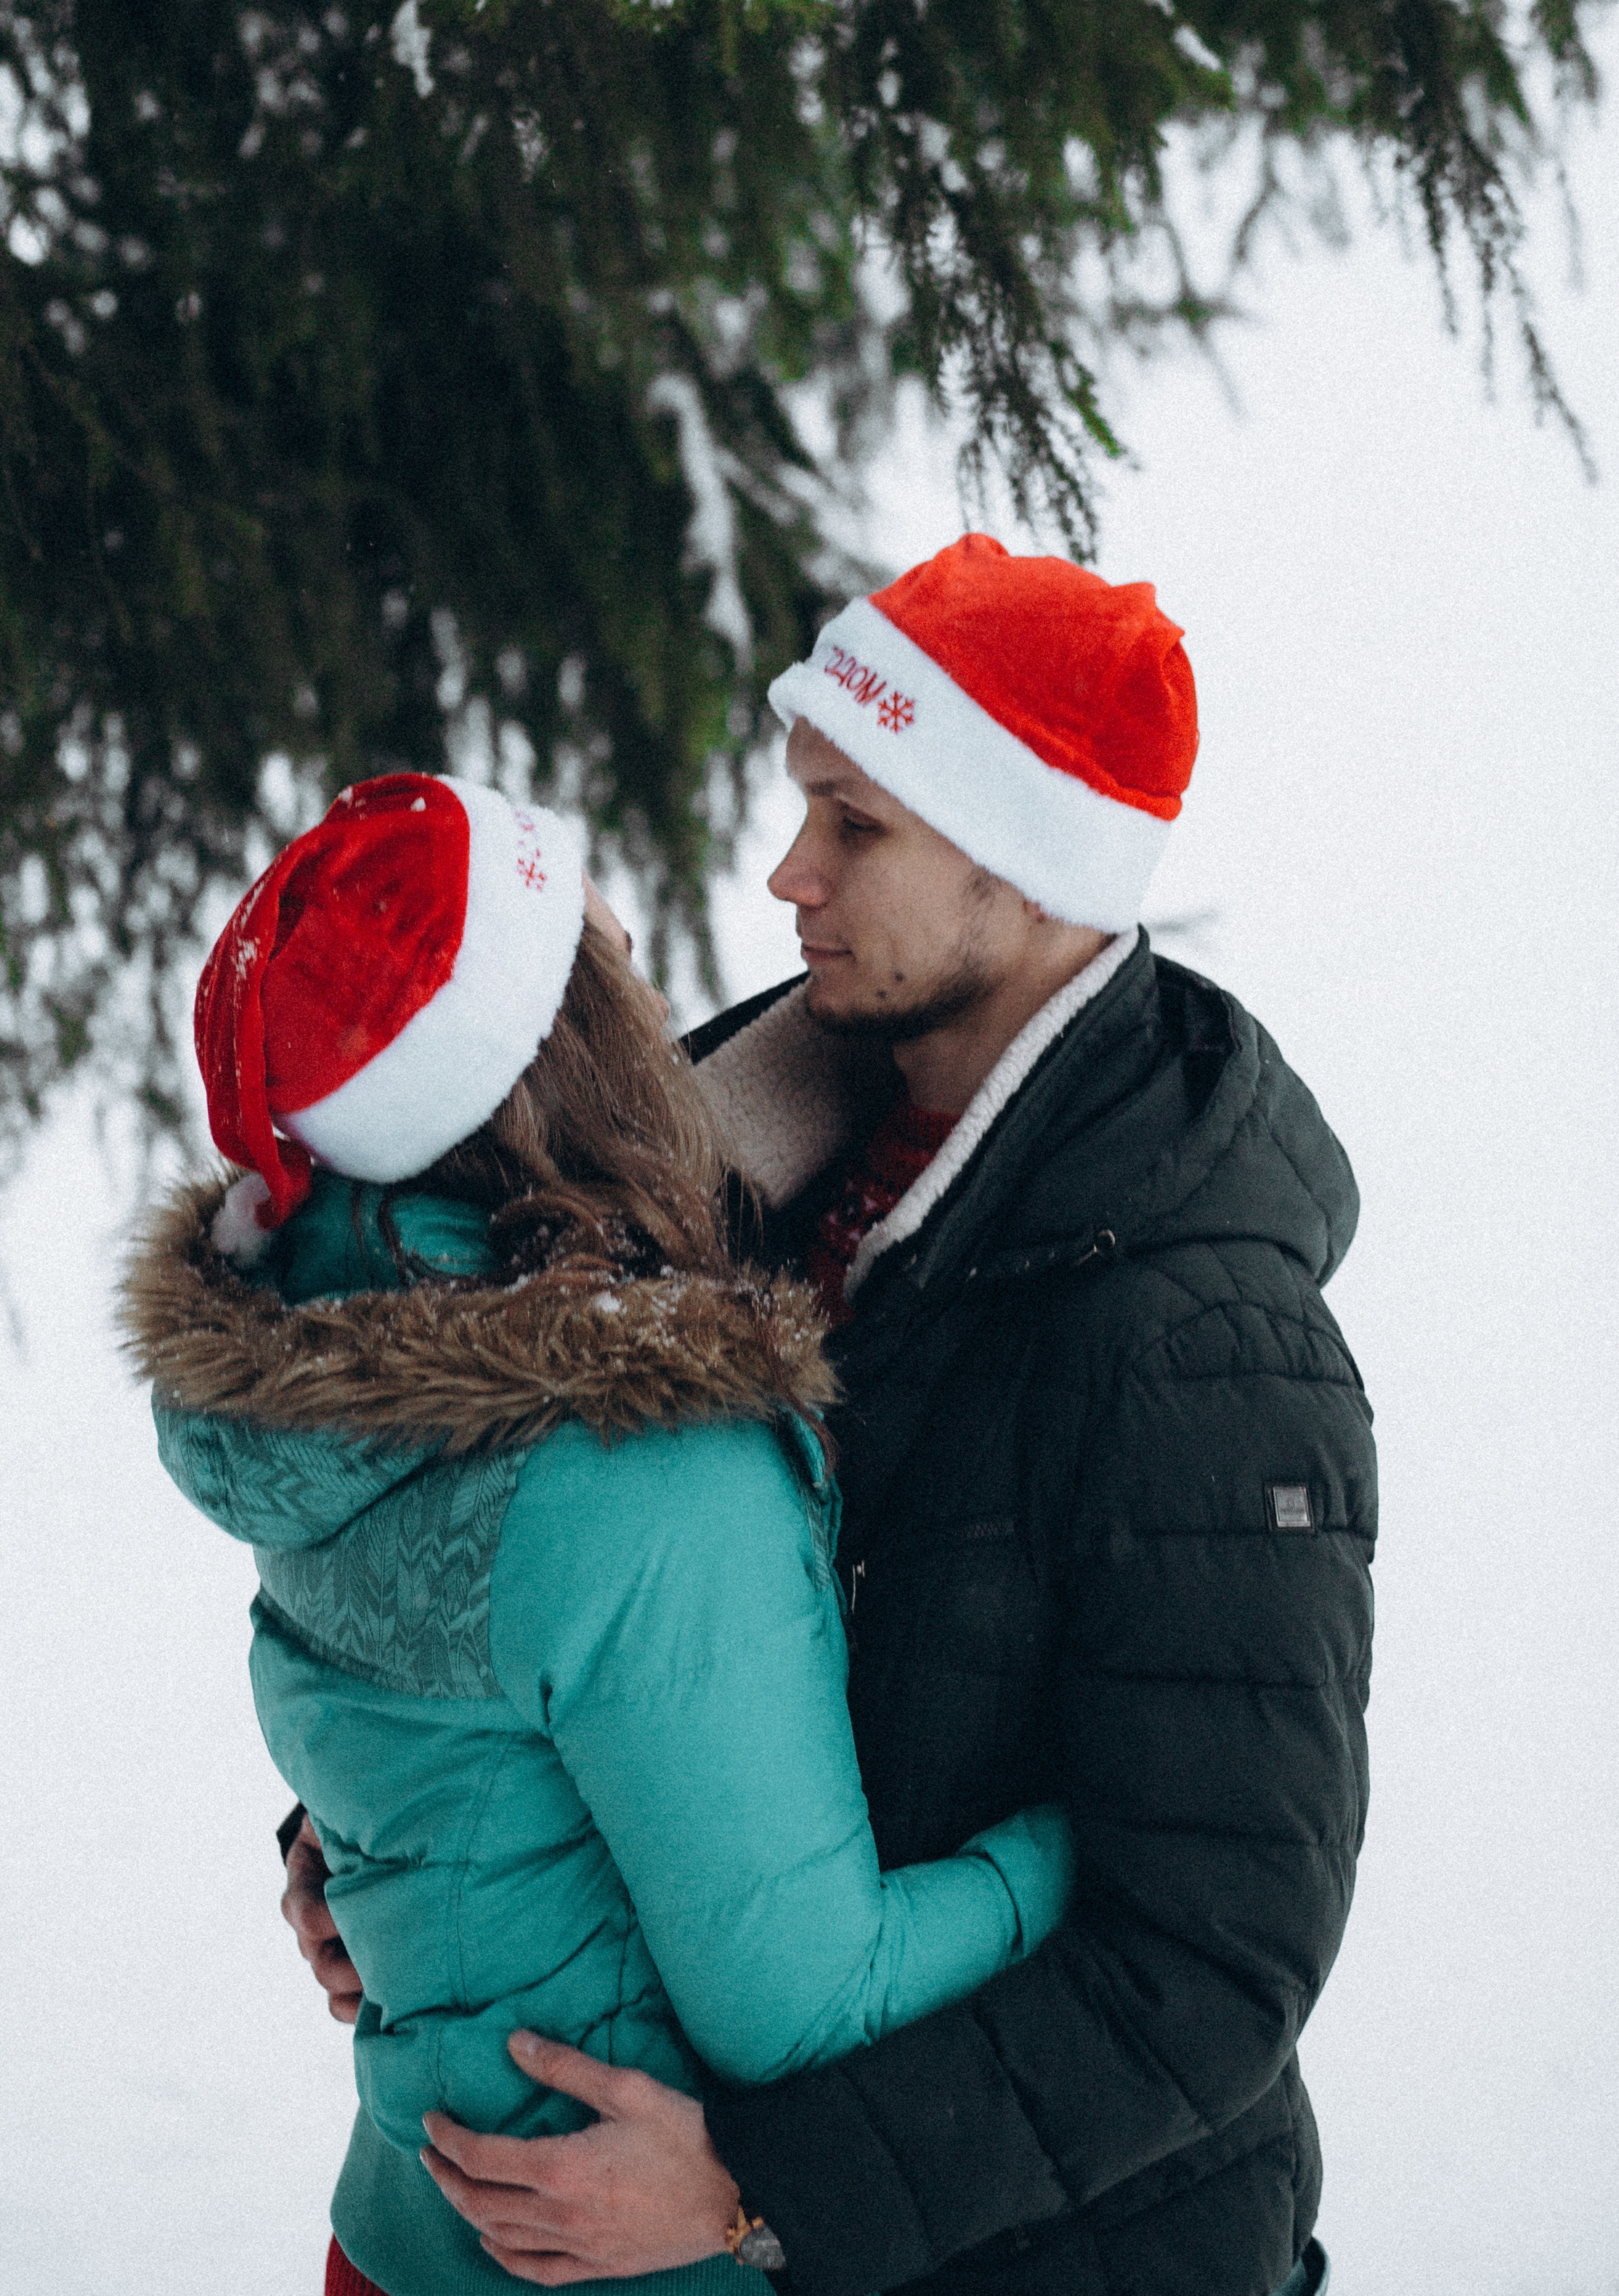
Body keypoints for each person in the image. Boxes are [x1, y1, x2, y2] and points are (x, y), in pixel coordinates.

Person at [289, 537, 1373, 2296]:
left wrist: (761, 2189)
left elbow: (1211, 1964)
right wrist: (406, 1849)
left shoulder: (1198, 1342)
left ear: (1022, 864)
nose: (785, 871)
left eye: (853, 824)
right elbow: (576, 1613)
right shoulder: (712, 1179)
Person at [127, 767, 1080, 2296]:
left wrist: (372, 1864)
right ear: (555, 1049)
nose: (658, 991)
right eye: (612, 959)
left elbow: (446, 1712)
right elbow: (803, 1999)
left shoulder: (330, 1351)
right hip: (613, 2259)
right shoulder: (640, 1463)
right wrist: (1070, 1849)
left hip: (397, 2233)